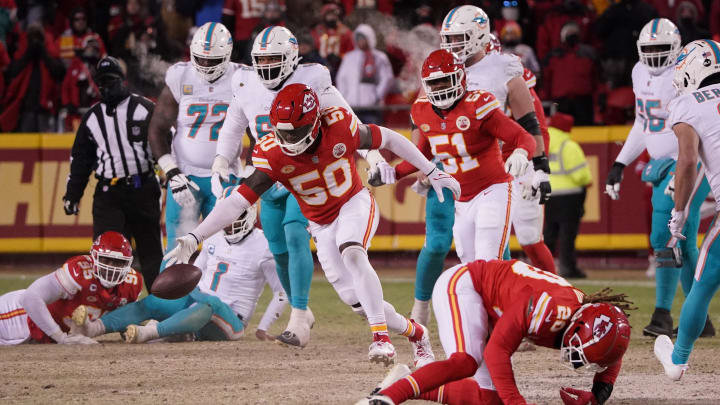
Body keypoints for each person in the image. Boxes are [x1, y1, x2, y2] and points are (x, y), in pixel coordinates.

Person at [166, 84, 456, 366]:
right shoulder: (273, 152)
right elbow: (237, 202)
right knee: (358, 302)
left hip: (353, 203)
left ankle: (381, 338)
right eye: (283, 131)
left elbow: (390, 138)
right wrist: (195, 236)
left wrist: (430, 169)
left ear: (316, 122)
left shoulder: (339, 126)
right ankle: (417, 333)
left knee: (353, 253)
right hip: (320, 224)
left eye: (297, 131)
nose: (289, 138)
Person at [209, 25, 393, 349]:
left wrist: (373, 156)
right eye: (261, 60)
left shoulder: (313, 78)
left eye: (274, 60)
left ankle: (297, 316)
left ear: (292, 57)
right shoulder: (244, 82)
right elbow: (234, 124)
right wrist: (220, 161)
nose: (266, 68)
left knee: (295, 235)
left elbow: (348, 120)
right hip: (270, 174)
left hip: (307, 173)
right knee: (278, 249)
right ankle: (304, 309)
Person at [408, 5, 554, 325]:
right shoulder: (441, 64)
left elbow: (529, 124)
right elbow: (421, 116)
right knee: (436, 244)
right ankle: (420, 308)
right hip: (444, 166)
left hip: (488, 169)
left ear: (478, 35)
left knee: (494, 253)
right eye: (449, 38)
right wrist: (418, 161)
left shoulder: (503, 66)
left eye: (460, 38)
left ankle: (503, 317)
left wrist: (540, 167)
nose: (453, 45)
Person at [356, 259, 632, 405]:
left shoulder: (587, 316)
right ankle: (386, 399)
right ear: (579, 326)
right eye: (583, 352)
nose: (579, 360)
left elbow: (611, 349)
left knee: (488, 400)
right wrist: (516, 402)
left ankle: (405, 382)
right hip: (465, 286)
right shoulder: (547, 310)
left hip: (492, 309)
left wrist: (599, 394)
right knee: (466, 361)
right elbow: (497, 351)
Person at [605, 19, 712, 338]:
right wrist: (621, 162)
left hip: (688, 160)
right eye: (648, 49)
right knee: (676, 242)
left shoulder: (687, 72)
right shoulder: (639, 72)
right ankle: (693, 318)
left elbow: (698, 121)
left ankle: (670, 314)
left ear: (676, 48)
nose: (653, 56)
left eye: (660, 49)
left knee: (669, 238)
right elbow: (644, 122)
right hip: (661, 163)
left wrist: (684, 165)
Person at [72, 187, 287, 343]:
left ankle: (152, 332)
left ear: (249, 214)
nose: (229, 222)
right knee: (153, 302)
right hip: (197, 305)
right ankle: (94, 328)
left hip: (231, 322)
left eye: (234, 216)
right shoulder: (213, 236)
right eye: (227, 215)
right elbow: (197, 273)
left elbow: (281, 292)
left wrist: (263, 327)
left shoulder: (264, 245)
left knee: (209, 304)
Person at [394, 49, 536, 266]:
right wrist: (392, 173)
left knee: (488, 261)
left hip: (493, 189)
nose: (440, 87)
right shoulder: (422, 110)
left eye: (444, 81)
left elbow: (523, 137)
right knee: (470, 267)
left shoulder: (478, 105)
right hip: (462, 199)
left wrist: (521, 152)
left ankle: (517, 297)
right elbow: (421, 155)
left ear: (460, 78)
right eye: (434, 83)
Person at [62, 56, 163, 288]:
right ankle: (107, 307)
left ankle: (162, 308)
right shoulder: (92, 118)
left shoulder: (145, 108)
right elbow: (80, 160)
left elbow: (166, 141)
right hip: (109, 193)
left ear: (123, 81)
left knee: (152, 253)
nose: (107, 87)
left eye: (111, 81)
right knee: (107, 253)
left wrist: (170, 172)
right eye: (102, 83)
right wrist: (72, 195)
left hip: (143, 187)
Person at [654, 39, 720, 381]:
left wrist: (678, 213)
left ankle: (678, 361)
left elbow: (688, 161)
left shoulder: (688, 104)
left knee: (704, 283)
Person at [149, 22, 240, 264]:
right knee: (177, 252)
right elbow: (157, 129)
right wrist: (171, 172)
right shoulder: (181, 76)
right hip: (185, 179)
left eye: (213, 60)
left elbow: (259, 128)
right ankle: (169, 304)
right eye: (202, 59)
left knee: (225, 253)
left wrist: (253, 168)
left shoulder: (241, 78)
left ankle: (219, 303)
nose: (206, 65)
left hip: (225, 178)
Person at [0, 232, 142, 345]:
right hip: (19, 316)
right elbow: (30, 298)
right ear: (94, 258)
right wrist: (61, 338)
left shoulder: (131, 284)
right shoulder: (79, 271)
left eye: (118, 262)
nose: (111, 267)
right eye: (106, 260)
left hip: (44, 333)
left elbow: (127, 325)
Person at [544, 112, 592, 278]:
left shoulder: (543, 143)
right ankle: (567, 267)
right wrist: (586, 180)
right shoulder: (569, 146)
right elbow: (581, 175)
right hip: (570, 196)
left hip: (549, 194)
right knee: (567, 235)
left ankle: (544, 267)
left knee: (549, 234)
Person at [0, 23, 65, 132]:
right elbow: (13, 72)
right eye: (32, 37)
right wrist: (29, 53)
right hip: (26, 107)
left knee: (47, 142)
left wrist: (43, 52)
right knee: (26, 144)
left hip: (45, 107)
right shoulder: (23, 52)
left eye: (38, 37)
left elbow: (59, 72)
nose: (35, 41)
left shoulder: (50, 51)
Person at [541, 21, 598, 125]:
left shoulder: (589, 54)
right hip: (561, 102)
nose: (572, 35)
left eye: (574, 32)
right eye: (569, 32)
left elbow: (596, 78)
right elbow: (547, 80)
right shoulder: (553, 56)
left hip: (583, 101)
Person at [336, 23, 394, 125]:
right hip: (351, 107)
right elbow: (341, 78)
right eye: (358, 38)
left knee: (373, 136)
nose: (360, 41)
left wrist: (376, 96)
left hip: (371, 108)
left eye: (363, 38)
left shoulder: (379, 57)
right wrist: (344, 98)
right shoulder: (349, 57)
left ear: (370, 38)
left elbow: (387, 78)